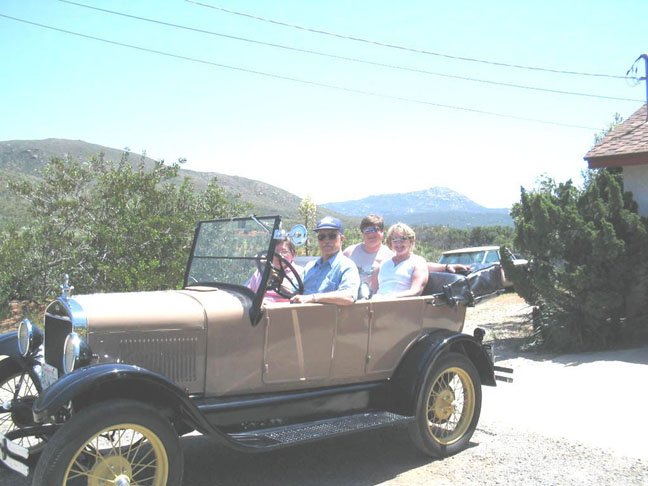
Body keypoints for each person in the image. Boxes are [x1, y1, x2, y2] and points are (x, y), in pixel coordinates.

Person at [291, 216, 360, 305]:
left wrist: (312, 298)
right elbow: (292, 289)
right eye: (322, 237)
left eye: (332, 236)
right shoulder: (310, 267)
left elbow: (349, 296)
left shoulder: (347, 266)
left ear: (342, 239)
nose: (326, 240)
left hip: (330, 314)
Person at [375, 222, 429, 298]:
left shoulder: (418, 262)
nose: (399, 244)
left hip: (401, 303)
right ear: (390, 242)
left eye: (403, 239)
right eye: (394, 240)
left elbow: (416, 291)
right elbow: (373, 289)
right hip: (377, 301)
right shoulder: (384, 263)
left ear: (410, 241)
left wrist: (389, 298)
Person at [343, 214, 394, 294]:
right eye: (367, 230)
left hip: (379, 299)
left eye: (375, 230)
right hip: (350, 297)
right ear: (362, 233)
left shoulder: (391, 256)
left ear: (382, 231)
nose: (371, 234)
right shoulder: (349, 253)